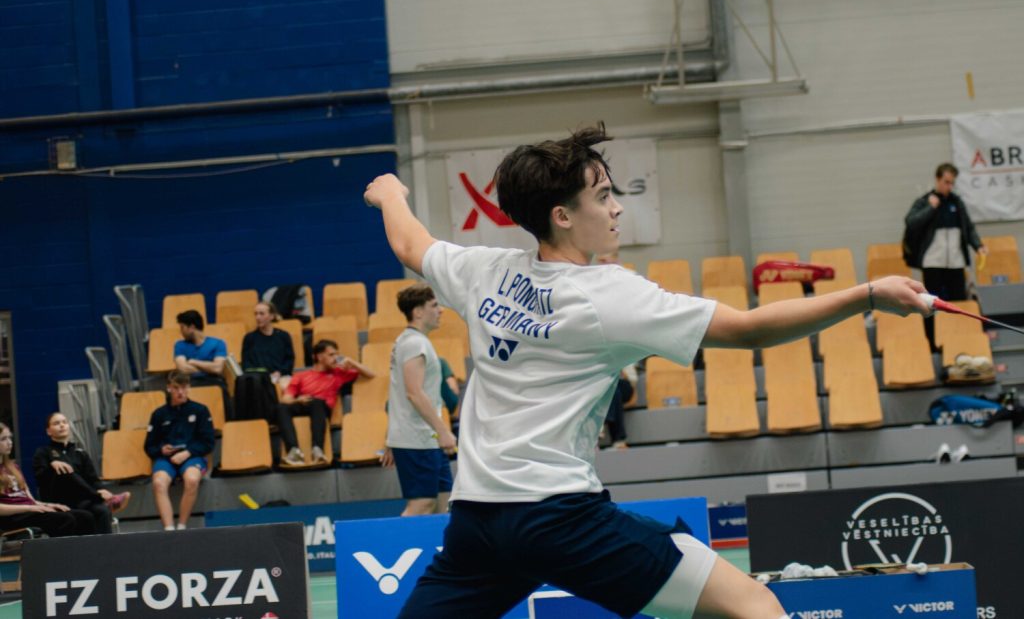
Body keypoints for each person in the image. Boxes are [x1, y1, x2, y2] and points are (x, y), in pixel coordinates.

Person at [365, 123, 930, 619]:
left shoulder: (483, 271)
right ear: (562, 216)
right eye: (602, 196)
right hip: (561, 520)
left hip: (478, 523)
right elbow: (748, 329)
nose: (616, 208)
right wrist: (866, 294)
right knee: (755, 606)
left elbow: (409, 242)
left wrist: (391, 192)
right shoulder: (610, 295)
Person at [380, 284, 457, 517]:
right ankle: (395, 541)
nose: (440, 310)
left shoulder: (409, 341)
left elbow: (396, 392)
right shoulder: (415, 343)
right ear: (418, 312)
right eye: (434, 305)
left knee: (443, 502)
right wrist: (443, 431)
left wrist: (391, 438)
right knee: (422, 504)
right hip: (417, 440)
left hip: (426, 439)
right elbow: (413, 393)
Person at [279, 339, 376, 466]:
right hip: (303, 403)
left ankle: (317, 450)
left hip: (321, 407)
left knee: (317, 402)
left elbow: (371, 374)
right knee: (282, 407)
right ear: (319, 357)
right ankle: (294, 451)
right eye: (331, 355)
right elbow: (286, 399)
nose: (336, 358)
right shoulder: (300, 376)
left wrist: (352, 362)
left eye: (337, 354)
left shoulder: (339, 373)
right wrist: (298, 399)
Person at [32, 412, 130, 534]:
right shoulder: (43, 452)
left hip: (83, 500)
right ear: (48, 431)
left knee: (102, 511)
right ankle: (102, 499)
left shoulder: (80, 453)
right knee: (64, 471)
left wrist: (101, 490)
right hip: (58, 498)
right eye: (56, 423)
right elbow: (40, 478)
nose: (62, 425)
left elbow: (93, 479)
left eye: (64, 422)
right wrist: (52, 465)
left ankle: (105, 545)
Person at [904, 162, 987, 302]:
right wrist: (930, 208)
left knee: (959, 303)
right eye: (946, 182)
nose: (949, 187)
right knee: (932, 304)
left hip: (956, 263)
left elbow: (968, 227)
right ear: (937, 179)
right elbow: (910, 222)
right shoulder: (924, 201)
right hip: (932, 263)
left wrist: (978, 245)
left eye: (952, 183)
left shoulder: (957, 202)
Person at [145, 371, 215, 531]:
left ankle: (182, 526)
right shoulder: (159, 414)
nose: (180, 392)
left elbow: (208, 442)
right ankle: (169, 529)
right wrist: (161, 450)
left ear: (189, 387)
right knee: (158, 482)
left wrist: (187, 452)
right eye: (176, 388)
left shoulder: (200, 410)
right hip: (166, 459)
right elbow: (149, 446)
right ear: (169, 388)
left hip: (192, 456)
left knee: (192, 479)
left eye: (184, 387)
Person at [0, 423, 95, 537]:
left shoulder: (13, 467)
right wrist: (29, 508)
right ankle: (62, 549)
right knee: (64, 519)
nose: (9, 442)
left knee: (85, 517)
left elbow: (30, 500)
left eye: (10, 437)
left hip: (29, 510)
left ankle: (86, 549)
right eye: (3, 439)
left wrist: (48, 505)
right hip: (11, 516)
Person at [241, 301, 295, 386]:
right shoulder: (249, 338)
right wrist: (261, 375)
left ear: (272, 316)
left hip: (281, 376)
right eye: (256, 314)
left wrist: (280, 372)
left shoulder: (283, 336)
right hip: (258, 379)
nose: (258, 317)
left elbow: (289, 360)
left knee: (287, 385)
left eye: (262, 314)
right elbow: (246, 364)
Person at [173, 310, 228, 390]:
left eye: (182, 327)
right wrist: (209, 368)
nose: (180, 331)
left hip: (214, 383)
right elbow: (183, 368)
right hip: (190, 383)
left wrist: (193, 362)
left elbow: (217, 368)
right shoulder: (180, 345)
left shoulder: (218, 343)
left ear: (191, 327)